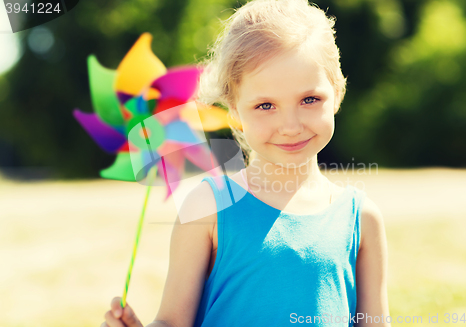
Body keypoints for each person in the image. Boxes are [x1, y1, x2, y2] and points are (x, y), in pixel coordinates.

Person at [101, 0, 391, 326]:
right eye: (265, 105)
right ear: (234, 111)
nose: (291, 125)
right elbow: (171, 321)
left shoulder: (362, 219)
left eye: (310, 99)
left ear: (337, 92)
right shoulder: (208, 207)